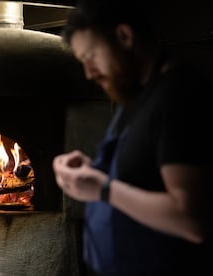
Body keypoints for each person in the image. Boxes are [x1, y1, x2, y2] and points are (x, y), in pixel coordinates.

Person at [52, 0, 213, 275]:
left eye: (91, 56)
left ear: (124, 37)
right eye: (82, 62)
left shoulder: (179, 96)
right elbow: (141, 177)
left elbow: (192, 219)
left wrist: (103, 190)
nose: (89, 73)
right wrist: (92, 171)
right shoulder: (134, 97)